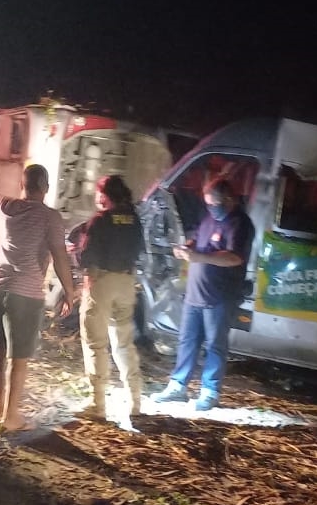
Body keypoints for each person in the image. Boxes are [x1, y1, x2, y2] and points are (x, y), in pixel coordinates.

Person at [0, 163, 75, 432]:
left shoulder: (6, 206)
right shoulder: (50, 217)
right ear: (46, 188)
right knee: (18, 358)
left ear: (23, 185)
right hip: (26, 292)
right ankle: (11, 417)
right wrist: (69, 291)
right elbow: (59, 255)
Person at [153, 178, 253, 411]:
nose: (211, 208)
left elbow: (234, 258)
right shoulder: (209, 217)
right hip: (195, 294)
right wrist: (187, 247)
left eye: (215, 204)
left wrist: (200, 257)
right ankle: (178, 386)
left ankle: (210, 391)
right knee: (187, 341)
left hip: (220, 298)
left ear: (228, 199)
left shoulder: (240, 224)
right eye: (208, 204)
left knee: (215, 345)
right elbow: (198, 239)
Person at [76, 175, 145, 420]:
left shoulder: (100, 221)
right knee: (124, 343)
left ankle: (98, 405)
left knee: (96, 344)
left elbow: (86, 257)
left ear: (104, 195)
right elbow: (139, 251)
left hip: (102, 284)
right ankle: (135, 402)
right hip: (126, 283)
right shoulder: (134, 219)